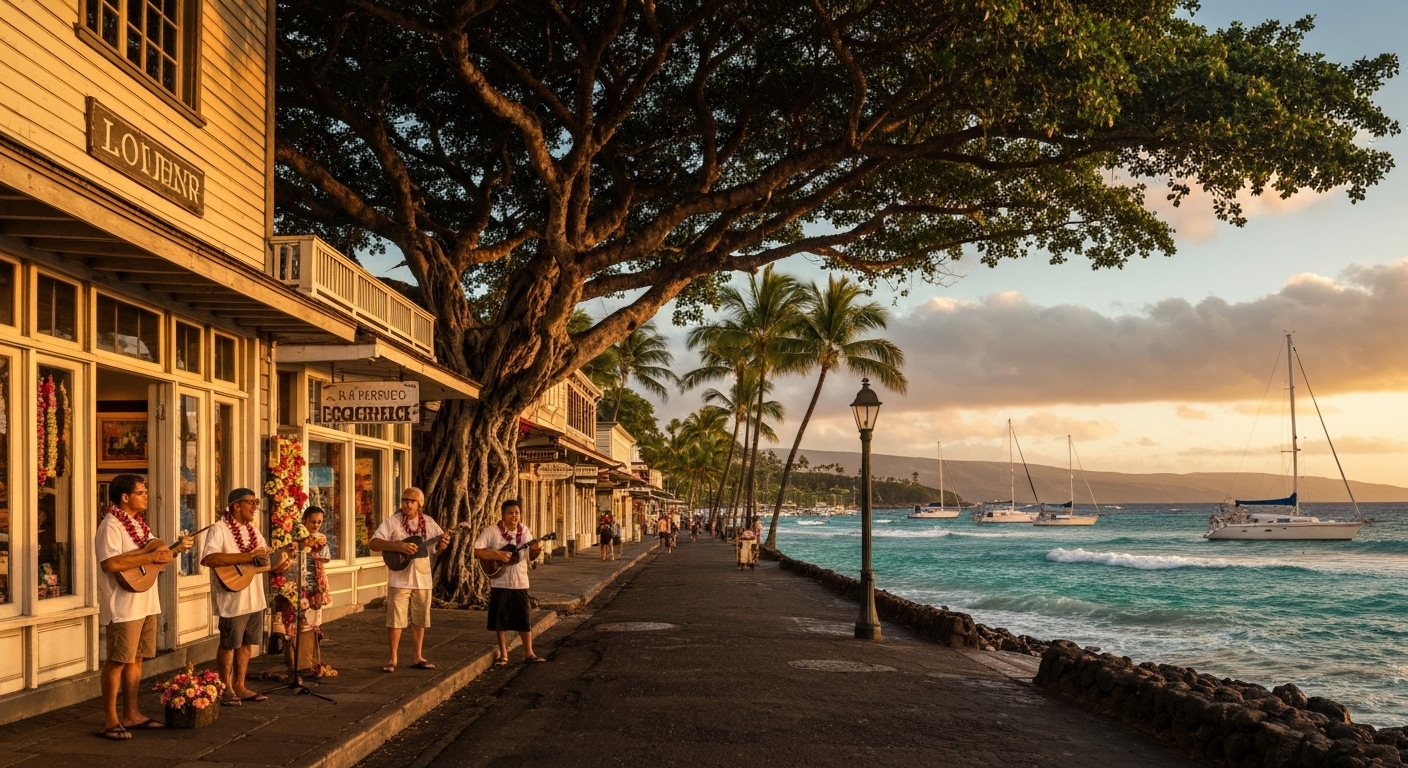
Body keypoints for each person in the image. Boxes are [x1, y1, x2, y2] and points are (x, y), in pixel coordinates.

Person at [95, 474, 190, 739]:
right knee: (117, 660)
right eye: (141, 492)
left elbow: (156, 553)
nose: (146, 496)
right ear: (125, 498)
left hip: (146, 601)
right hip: (123, 605)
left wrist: (176, 549)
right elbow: (111, 564)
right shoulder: (111, 525)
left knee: (136, 659)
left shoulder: (139, 526)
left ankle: (132, 714)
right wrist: (151, 556)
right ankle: (110, 719)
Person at [201, 488, 291, 705]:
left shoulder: (253, 531)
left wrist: (277, 567)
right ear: (235, 505)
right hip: (232, 598)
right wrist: (247, 556)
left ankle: (240, 685)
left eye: (256, 502)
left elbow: (262, 563)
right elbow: (209, 558)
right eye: (250, 502)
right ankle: (226, 688)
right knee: (230, 643)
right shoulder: (219, 529)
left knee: (247, 644)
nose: (255, 507)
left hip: (254, 596)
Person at [369, 487, 449, 673]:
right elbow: (374, 543)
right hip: (399, 579)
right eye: (404, 500)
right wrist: (397, 546)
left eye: (411, 501)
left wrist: (442, 544)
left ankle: (417, 656)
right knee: (395, 620)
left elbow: (437, 545)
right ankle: (393, 658)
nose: (407, 504)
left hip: (422, 578)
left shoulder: (428, 523)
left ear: (419, 504)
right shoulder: (393, 522)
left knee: (420, 619)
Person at [474, 500, 545, 665]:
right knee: (501, 620)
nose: (514, 516)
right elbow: (478, 551)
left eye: (517, 513)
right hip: (500, 581)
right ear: (503, 515)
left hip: (520, 581)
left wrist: (535, 551)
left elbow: (530, 557)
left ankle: (529, 653)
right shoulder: (492, 531)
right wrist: (497, 555)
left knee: (523, 619)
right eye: (510, 513)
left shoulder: (525, 532)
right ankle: (503, 654)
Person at [276, 506, 330, 673]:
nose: (316, 525)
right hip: (295, 583)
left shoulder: (321, 539)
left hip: (315, 582)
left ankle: (310, 660)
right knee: (291, 622)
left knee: (312, 622)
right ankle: (292, 662)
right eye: (313, 521)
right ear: (305, 519)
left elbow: (326, 557)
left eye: (319, 522)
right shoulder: (295, 537)